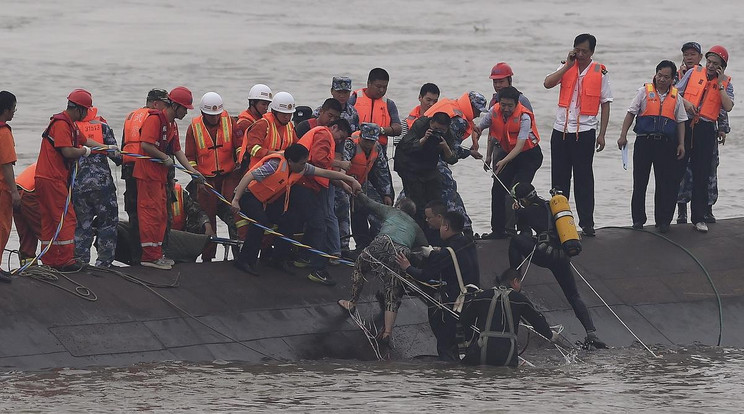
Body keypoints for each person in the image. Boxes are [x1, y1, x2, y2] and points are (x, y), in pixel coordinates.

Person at [231, 143, 361, 276]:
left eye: (305, 163)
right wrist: (235, 200)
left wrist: (349, 180)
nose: (304, 166)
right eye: (302, 163)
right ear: (291, 161)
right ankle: (244, 260)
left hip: (266, 200)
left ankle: (278, 259)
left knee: (289, 219)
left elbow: (326, 173)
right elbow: (248, 177)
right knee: (260, 222)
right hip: (248, 196)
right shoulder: (274, 165)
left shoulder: (300, 168)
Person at [508, 182, 606, 348]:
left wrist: (518, 213)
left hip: (544, 255)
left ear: (523, 200)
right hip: (562, 257)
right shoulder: (551, 205)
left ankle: (513, 280)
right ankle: (591, 332)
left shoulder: (526, 211)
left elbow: (524, 234)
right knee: (573, 296)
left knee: (515, 241)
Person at [543, 33, 613, 237]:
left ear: (592, 52)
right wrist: (567, 66)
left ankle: (587, 223)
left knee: (583, 180)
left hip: (584, 133)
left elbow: (605, 103)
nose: (580, 54)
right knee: (559, 180)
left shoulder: (601, 71)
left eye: (585, 51)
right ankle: (559, 224)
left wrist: (602, 134)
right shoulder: (566, 65)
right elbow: (547, 84)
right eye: (577, 50)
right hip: (561, 132)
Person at [337, 193, 428, 345]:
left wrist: (357, 191)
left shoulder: (392, 211)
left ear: (398, 207)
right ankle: (387, 333)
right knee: (392, 290)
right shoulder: (416, 227)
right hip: (402, 252)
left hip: (383, 242)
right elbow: (424, 248)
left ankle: (352, 303)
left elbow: (369, 203)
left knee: (360, 265)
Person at [134, 86, 204, 270]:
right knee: (150, 214)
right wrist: (163, 157)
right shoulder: (155, 120)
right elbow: (146, 145)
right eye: (184, 109)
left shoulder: (172, 124)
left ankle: (157, 254)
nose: (185, 113)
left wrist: (192, 171)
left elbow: (177, 151)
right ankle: (149, 256)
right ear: (175, 105)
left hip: (160, 177)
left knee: (162, 214)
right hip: (148, 176)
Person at [395, 211, 480, 361]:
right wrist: (435, 254)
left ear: (446, 227)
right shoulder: (468, 241)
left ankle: (448, 371)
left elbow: (425, 275)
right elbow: (456, 258)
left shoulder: (447, 253)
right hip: (473, 297)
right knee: (466, 340)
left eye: (441, 226)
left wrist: (407, 267)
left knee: (445, 343)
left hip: (454, 302)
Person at [617, 60, 687, 233]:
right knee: (640, 182)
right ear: (655, 74)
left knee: (663, 184)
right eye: (659, 75)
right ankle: (638, 220)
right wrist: (623, 136)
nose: (662, 79)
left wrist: (681, 144)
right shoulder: (643, 92)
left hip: (665, 145)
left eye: (666, 77)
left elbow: (681, 122)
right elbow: (631, 113)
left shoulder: (676, 96)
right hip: (644, 142)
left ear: (672, 79)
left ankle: (662, 221)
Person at [36, 89, 99, 271]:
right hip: (52, 178)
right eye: (86, 110)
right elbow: (68, 151)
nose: (87, 114)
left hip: (46, 177)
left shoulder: (69, 124)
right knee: (67, 217)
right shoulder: (62, 124)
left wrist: (105, 148)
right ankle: (65, 260)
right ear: (79, 109)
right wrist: (83, 152)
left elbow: (85, 141)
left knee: (50, 220)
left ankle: (49, 261)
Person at [675, 45, 734, 233]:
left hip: (707, 128)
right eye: (709, 62)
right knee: (678, 169)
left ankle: (699, 217)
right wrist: (687, 103)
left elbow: (728, 106)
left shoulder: (726, 83)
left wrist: (721, 84)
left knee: (703, 174)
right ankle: (673, 213)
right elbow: (675, 93)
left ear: (722, 67)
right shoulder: (693, 72)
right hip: (687, 124)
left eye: (715, 64)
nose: (710, 66)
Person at [185, 92, 242, 262]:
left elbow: (239, 146)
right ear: (203, 113)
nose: (215, 118)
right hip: (206, 182)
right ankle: (207, 258)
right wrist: (196, 176)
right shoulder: (194, 128)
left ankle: (238, 256)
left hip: (228, 178)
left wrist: (239, 160)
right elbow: (190, 157)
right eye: (211, 115)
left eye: (217, 114)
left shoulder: (230, 122)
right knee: (207, 222)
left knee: (235, 218)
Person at [295, 119, 353, 285]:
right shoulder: (324, 134)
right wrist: (340, 164)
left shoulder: (325, 136)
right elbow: (319, 160)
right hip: (304, 184)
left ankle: (303, 257)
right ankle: (318, 268)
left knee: (314, 224)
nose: (339, 141)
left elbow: (321, 167)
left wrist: (342, 183)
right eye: (340, 137)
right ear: (334, 127)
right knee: (320, 225)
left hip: (308, 184)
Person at [460, 268, 556, 367]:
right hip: (508, 353)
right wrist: (550, 335)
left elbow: (464, 320)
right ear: (515, 281)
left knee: (463, 365)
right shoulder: (520, 299)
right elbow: (537, 320)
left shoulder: (482, 296)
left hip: (483, 350)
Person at [422, 91, 487, 234]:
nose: (477, 115)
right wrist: (470, 153)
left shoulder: (453, 105)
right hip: (434, 159)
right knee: (450, 192)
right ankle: (464, 229)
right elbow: (452, 151)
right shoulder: (459, 121)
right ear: (471, 107)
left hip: (420, 156)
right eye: (477, 111)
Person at [484, 86, 543, 239]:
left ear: (517, 104)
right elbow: (483, 128)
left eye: (510, 105)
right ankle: (498, 230)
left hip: (529, 156)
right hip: (509, 156)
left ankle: (525, 230)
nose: (506, 108)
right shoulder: (494, 111)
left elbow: (519, 145)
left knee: (519, 191)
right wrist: (485, 152)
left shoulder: (524, 117)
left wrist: (503, 161)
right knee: (497, 188)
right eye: (503, 105)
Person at [121, 88, 171, 264]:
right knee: (156, 213)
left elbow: (123, 148)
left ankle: (137, 256)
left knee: (135, 215)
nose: (167, 107)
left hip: (129, 169)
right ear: (156, 103)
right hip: (150, 169)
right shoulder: (156, 118)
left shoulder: (131, 117)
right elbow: (163, 147)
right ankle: (156, 254)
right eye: (165, 103)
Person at [73, 107, 122, 268]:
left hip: (79, 186)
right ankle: (104, 262)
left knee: (82, 225)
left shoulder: (72, 128)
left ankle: (80, 261)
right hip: (103, 186)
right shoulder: (103, 126)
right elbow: (116, 156)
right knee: (108, 223)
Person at [394, 112, 455, 226]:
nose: (438, 132)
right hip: (408, 164)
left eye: (442, 130)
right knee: (417, 202)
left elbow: (452, 159)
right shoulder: (420, 125)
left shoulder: (447, 134)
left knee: (436, 200)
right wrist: (424, 139)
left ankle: (435, 230)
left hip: (428, 166)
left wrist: (445, 146)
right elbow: (406, 146)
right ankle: (418, 230)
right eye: (435, 128)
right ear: (431, 123)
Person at [344, 123, 394, 251]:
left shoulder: (376, 148)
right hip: (343, 183)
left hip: (362, 182)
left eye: (371, 141)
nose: (368, 144)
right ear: (360, 136)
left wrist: (386, 193)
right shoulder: (350, 145)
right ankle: (346, 246)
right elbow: (341, 167)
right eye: (366, 140)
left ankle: (373, 245)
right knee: (345, 213)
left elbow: (382, 171)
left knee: (375, 211)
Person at [239, 91, 299, 169]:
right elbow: (252, 148)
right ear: (274, 112)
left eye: (290, 114)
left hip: (280, 169)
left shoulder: (289, 126)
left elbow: (296, 144)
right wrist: (276, 154)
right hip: (258, 170)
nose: (287, 117)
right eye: (284, 114)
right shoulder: (263, 124)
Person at [0, 91, 19, 282]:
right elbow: (6, 164)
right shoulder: (3, 132)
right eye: (13, 108)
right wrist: (14, 192)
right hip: (1, 189)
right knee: (3, 227)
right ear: (6, 110)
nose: (14, 112)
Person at [13, 163, 40, 268]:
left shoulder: (40, 163)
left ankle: (28, 266)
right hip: (30, 194)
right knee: (47, 231)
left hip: (16, 192)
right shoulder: (62, 165)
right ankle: (56, 263)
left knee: (27, 234)